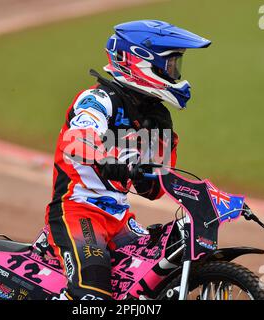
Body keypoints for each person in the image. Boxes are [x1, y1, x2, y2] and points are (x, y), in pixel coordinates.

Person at [45, 20, 210, 300]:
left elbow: (155, 189)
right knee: (93, 296)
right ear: (141, 63)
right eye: (170, 65)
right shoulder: (98, 99)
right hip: (77, 212)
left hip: (120, 219)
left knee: (159, 271)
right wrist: (107, 159)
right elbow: (75, 139)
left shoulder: (156, 116)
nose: (176, 74)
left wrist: (150, 173)